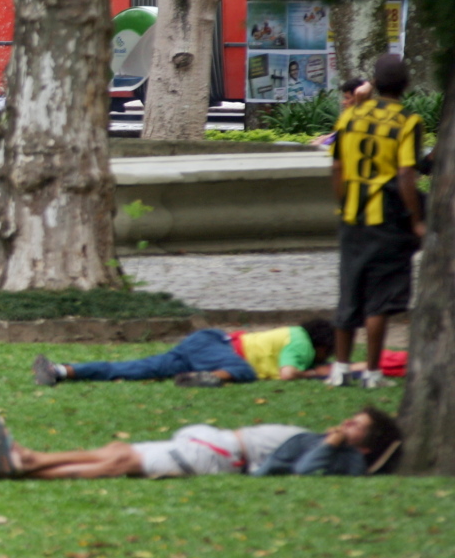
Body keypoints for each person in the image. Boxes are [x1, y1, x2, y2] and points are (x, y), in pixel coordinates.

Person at [330, 53, 425, 389]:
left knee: (350, 287)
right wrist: (416, 219)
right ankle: (372, 373)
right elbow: (405, 173)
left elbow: (337, 166)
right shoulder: (408, 122)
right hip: (387, 217)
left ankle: (340, 369)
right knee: (380, 298)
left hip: (352, 215)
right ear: (406, 85)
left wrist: (344, 203)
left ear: (375, 82)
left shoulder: (350, 115)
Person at [0, 407, 402, 480]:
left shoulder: (344, 459)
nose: (346, 423)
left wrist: (333, 441)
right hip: (213, 442)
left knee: (119, 462)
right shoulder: (336, 446)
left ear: (364, 446)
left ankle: (26, 467)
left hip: (220, 456)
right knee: (117, 451)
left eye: (357, 426)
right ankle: (29, 458)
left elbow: (305, 472)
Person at [32, 319, 332, 388]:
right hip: (217, 348)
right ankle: (207, 377)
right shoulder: (301, 342)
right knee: (245, 372)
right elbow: (288, 374)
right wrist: (312, 373)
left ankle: (60, 370)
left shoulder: (295, 335)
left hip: (202, 347)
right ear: (321, 346)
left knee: (135, 368)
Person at [311, 77, 371, 150]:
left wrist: (317, 146)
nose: (343, 102)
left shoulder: (362, 121)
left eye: (347, 98)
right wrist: (325, 137)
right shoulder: (349, 119)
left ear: (358, 98)